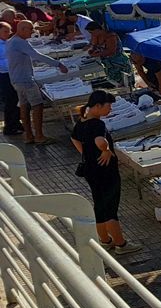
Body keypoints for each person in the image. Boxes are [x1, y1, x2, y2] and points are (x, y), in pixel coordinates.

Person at [71, 90, 135, 253]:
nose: (110, 110)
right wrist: (105, 150)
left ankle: (105, 240)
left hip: (90, 170)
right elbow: (100, 140)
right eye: (108, 106)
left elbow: (74, 138)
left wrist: (85, 153)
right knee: (110, 207)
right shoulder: (97, 124)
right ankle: (121, 244)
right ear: (98, 106)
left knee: (99, 204)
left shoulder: (82, 121)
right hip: (106, 171)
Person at [8, 20, 67, 145]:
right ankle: (39, 136)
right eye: (30, 29)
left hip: (16, 79)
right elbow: (36, 55)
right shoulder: (20, 42)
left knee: (24, 106)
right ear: (22, 29)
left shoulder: (11, 41)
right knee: (37, 105)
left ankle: (29, 136)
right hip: (25, 80)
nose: (32, 32)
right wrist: (58, 64)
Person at [86, 21, 130, 86]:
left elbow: (111, 51)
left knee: (125, 84)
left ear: (97, 30)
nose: (91, 34)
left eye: (92, 32)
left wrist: (96, 54)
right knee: (114, 83)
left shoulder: (111, 36)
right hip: (109, 64)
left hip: (119, 62)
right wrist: (92, 50)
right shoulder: (96, 36)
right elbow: (94, 46)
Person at [0, 22, 22, 136]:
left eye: (9, 31)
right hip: (5, 75)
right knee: (11, 100)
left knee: (16, 99)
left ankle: (16, 123)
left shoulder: (6, 43)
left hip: (12, 73)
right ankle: (10, 127)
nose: (8, 34)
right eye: (5, 31)